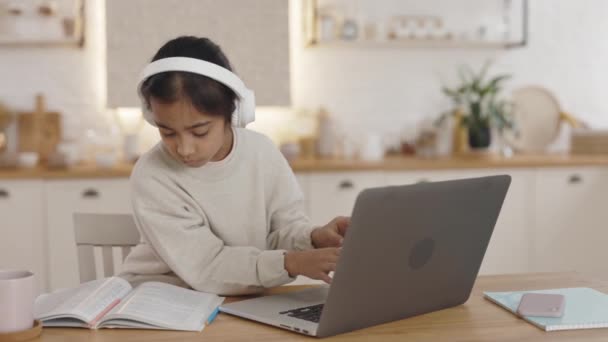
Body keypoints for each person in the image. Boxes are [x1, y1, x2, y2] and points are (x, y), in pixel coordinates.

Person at [119, 36, 349, 295]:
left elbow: (279, 232)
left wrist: (314, 238)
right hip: (159, 302)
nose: (184, 148)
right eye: (168, 133)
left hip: (237, 300)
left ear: (234, 111)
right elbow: (206, 267)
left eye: (200, 131)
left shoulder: (262, 152)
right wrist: (290, 263)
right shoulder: (153, 174)